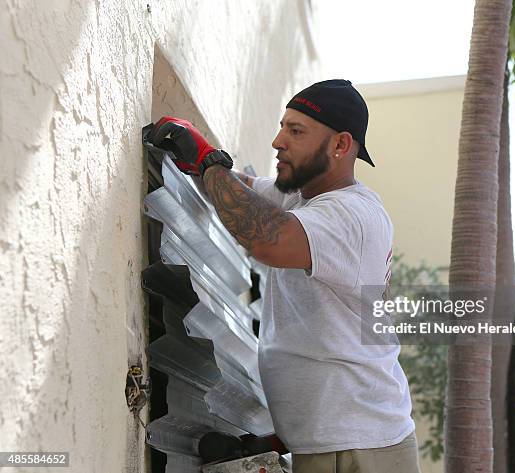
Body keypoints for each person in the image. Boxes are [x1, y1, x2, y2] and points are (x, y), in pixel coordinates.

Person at [148, 79, 420, 473]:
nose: (278, 141)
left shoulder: (352, 216)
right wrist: (195, 161)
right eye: (282, 126)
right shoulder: (302, 197)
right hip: (331, 444)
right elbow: (241, 194)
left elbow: (266, 239)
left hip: (363, 450)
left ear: (340, 145)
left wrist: (208, 159)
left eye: (295, 131)